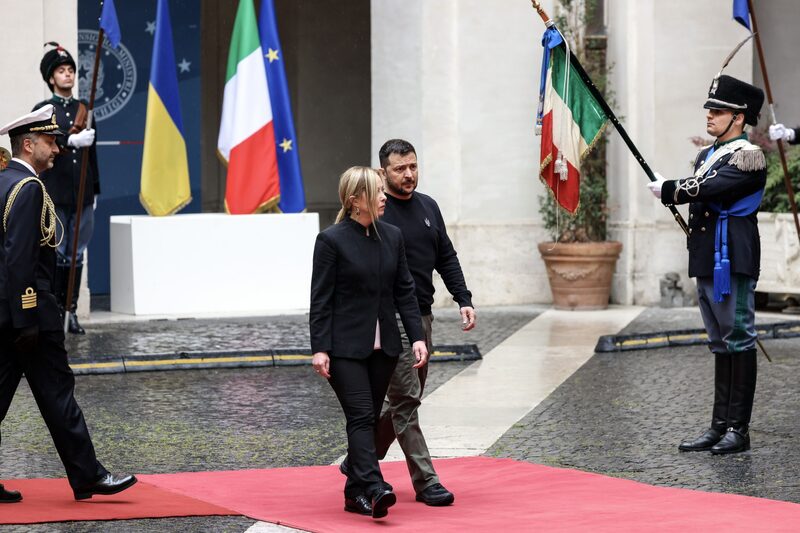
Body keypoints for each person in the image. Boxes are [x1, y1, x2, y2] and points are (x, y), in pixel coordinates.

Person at [0, 105, 136, 502]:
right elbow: (19, 260)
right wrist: (27, 318)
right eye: (49, 141)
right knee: (58, 394)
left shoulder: (4, 181)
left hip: (7, 314)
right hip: (31, 320)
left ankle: (88, 473)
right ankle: (89, 475)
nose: (57, 148)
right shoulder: (28, 189)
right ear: (28, 144)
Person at [647, 74, 766, 455]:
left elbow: (714, 188)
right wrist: (676, 191)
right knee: (719, 341)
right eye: (710, 109)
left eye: (719, 110)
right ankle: (718, 425)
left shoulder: (747, 156)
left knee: (739, 336)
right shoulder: (707, 155)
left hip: (733, 256)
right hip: (706, 255)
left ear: (740, 118)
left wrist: (672, 190)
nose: (710, 116)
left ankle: (738, 429)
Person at [310, 166, 429, 519]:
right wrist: (319, 348)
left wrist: (417, 338)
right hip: (344, 348)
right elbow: (321, 300)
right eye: (376, 192)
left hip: (385, 349)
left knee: (365, 418)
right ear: (354, 201)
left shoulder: (392, 237)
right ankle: (375, 485)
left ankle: (355, 493)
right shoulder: (331, 241)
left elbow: (405, 293)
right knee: (361, 415)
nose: (383, 198)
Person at [369, 139, 476, 506]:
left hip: (422, 317)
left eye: (413, 166)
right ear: (383, 172)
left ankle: (360, 458)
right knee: (408, 399)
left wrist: (463, 298)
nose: (409, 174)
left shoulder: (428, 206)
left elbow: (445, 256)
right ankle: (426, 481)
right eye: (400, 169)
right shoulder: (376, 210)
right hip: (391, 318)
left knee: (403, 399)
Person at [33, 42, 100, 335]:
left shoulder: (84, 109)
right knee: (58, 251)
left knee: (77, 252)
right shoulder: (43, 110)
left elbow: (92, 154)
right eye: (61, 71)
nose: (68, 75)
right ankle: (56, 311)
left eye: (71, 70)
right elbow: (38, 147)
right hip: (56, 191)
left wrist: (95, 190)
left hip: (81, 190)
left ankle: (71, 312)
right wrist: (68, 142)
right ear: (51, 78)